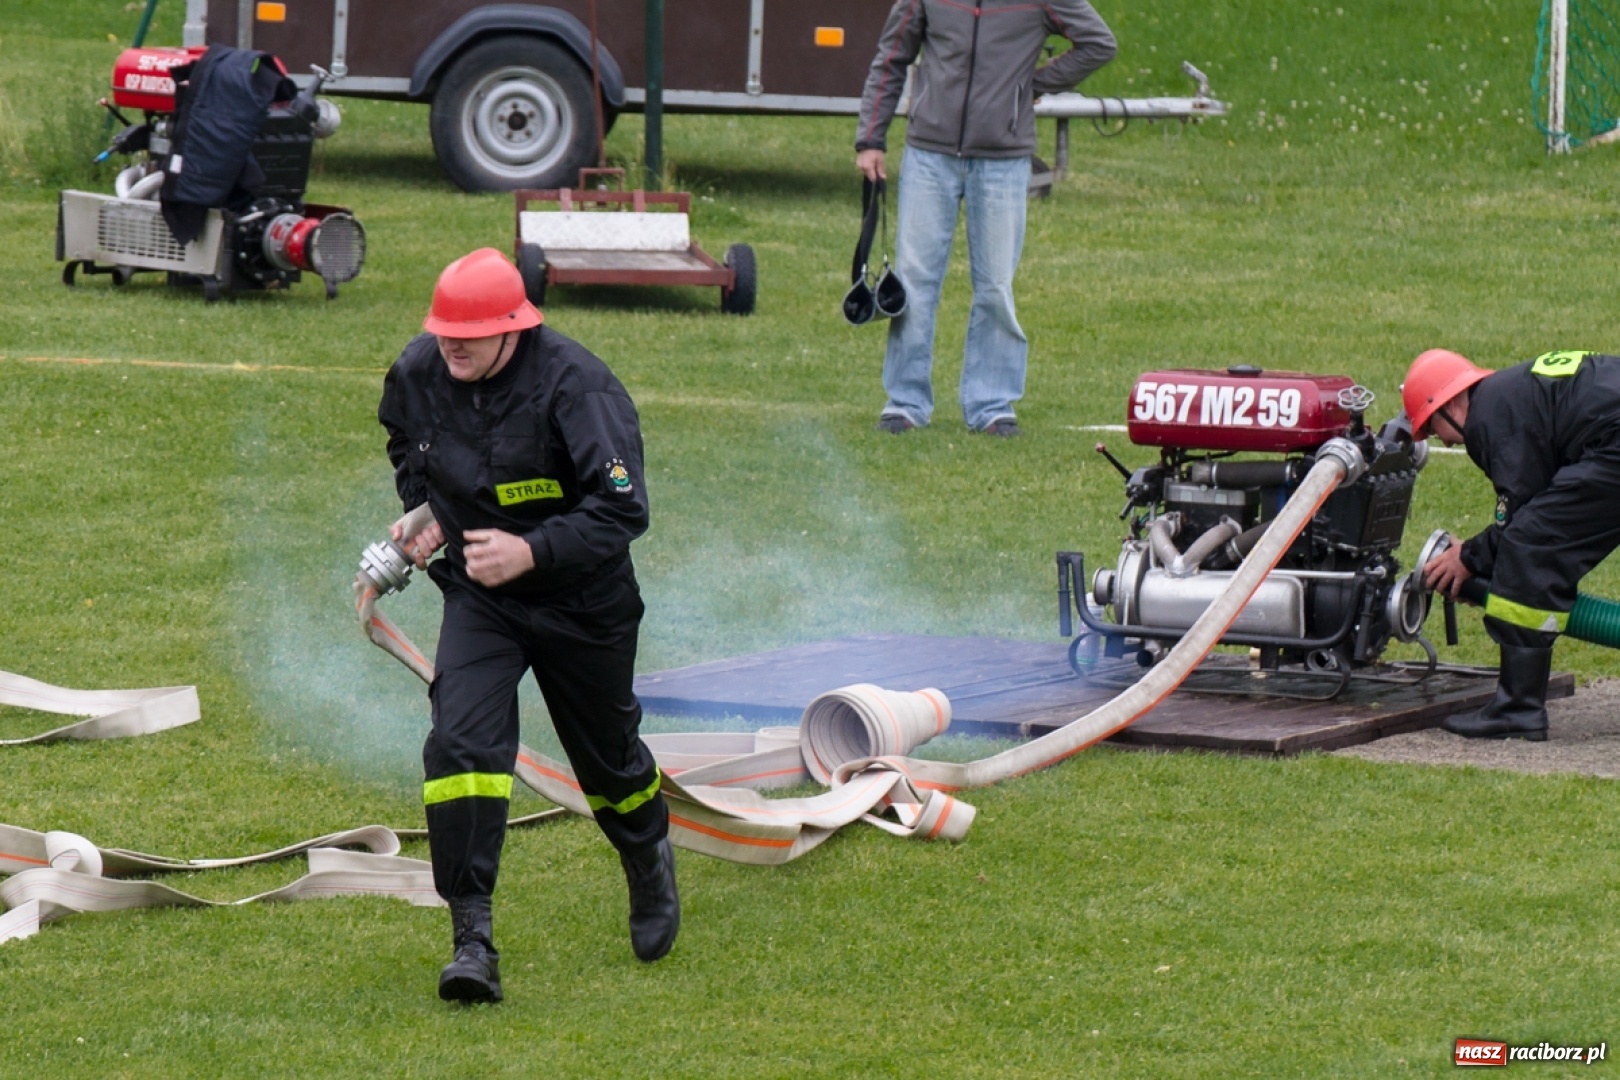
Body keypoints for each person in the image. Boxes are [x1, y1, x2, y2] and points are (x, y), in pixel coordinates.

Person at [378, 248, 678, 1004]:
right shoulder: (419, 372)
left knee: (606, 762)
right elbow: (406, 444)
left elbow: (622, 509)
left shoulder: (580, 388)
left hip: (584, 602)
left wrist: (533, 549)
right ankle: (472, 938)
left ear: (515, 329)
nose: (453, 347)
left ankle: (647, 858)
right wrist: (430, 512)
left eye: (469, 337)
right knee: (461, 747)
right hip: (482, 597)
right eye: (445, 333)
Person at [855, 0, 1117, 437]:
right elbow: (891, 58)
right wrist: (870, 138)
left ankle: (992, 405)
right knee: (915, 280)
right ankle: (904, 402)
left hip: (1004, 160)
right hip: (928, 154)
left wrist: (1032, 85)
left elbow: (1098, 43)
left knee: (995, 284)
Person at [1407, 347, 1620, 742]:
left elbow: (1520, 513)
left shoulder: (1489, 414)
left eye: (1433, 427)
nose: (1444, 442)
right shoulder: (1511, 393)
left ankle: (1518, 709)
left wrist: (1468, 558)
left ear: (1451, 402)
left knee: (1530, 546)